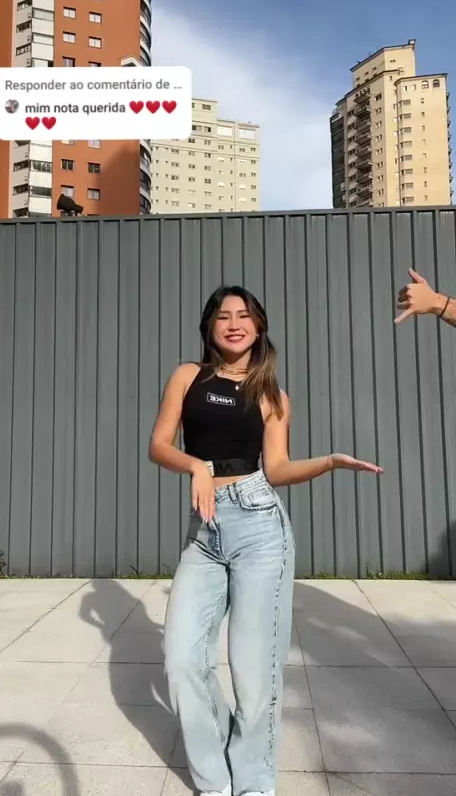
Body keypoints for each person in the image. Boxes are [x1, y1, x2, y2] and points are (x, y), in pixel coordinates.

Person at [149, 285, 382, 796]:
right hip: (204, 531)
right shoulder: (188, 376)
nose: (234, 324)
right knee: (182, 659)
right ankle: (215, 781)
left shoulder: (272, 396)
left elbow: (276, 469)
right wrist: (197, 466)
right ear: (210, 327)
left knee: (254, 673)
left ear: (258, 327)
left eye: (244, 316)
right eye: (223, 316)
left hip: (259, 526)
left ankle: (253, 783)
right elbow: (159, 446)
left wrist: (329, 462)